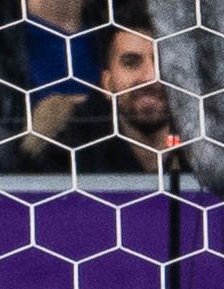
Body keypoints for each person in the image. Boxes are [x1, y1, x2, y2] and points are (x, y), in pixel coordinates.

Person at [30, 20, 183, 175]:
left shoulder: (204, 150)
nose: (150, 77)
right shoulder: (71, 156)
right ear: (107, 83)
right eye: (131, 63)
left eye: (163, 62)